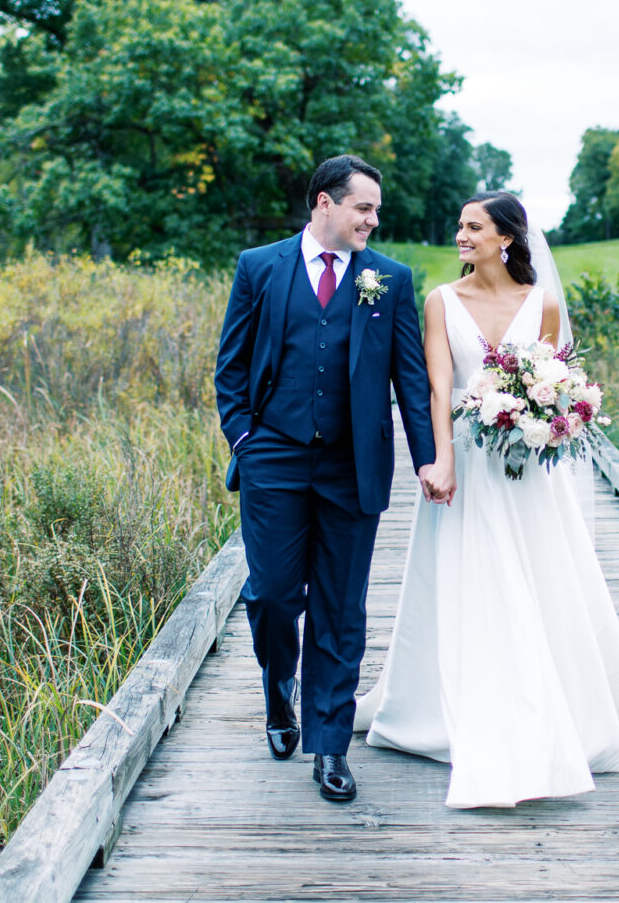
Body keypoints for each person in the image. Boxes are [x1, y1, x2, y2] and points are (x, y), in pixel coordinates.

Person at [354, 191, 619, 808]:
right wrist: (439, 459)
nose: (460, 236)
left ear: (506, 239)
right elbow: (439, 387)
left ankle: (550, 703)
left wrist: (544, 412)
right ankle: (460, 704)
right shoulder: (441, 301)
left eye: (473, 227)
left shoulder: (541, 303)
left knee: (537, 575)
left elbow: (555, 377)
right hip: (466, 459)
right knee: (472, 576)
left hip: (524, 465)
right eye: (459, 225)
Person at [214, 154, 444, 803]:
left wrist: (428, 458)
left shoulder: (388, 280)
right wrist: (246, 440)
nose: (373, 219)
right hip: (274, 460)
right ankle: (278, 693)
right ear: (324, 203)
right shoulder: (259, 268)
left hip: (353, 468)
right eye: (363, 207)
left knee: (341, 610)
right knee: (275, 596)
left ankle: (330, 745)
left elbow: (411, 383)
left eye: (375, 210)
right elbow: (230, 370)